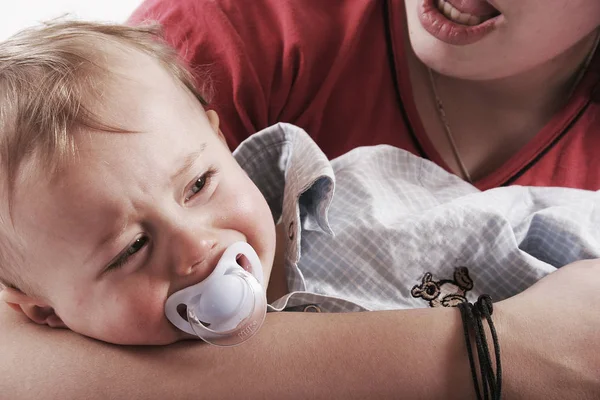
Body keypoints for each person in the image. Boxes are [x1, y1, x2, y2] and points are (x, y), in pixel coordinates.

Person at [0, 0, 599, 398]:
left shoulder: (368, 196)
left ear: (220, 138)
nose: (195, 247)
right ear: (46, 312)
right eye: (130, 247)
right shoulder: (221, 37)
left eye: (200, 186)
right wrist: (493, 350)